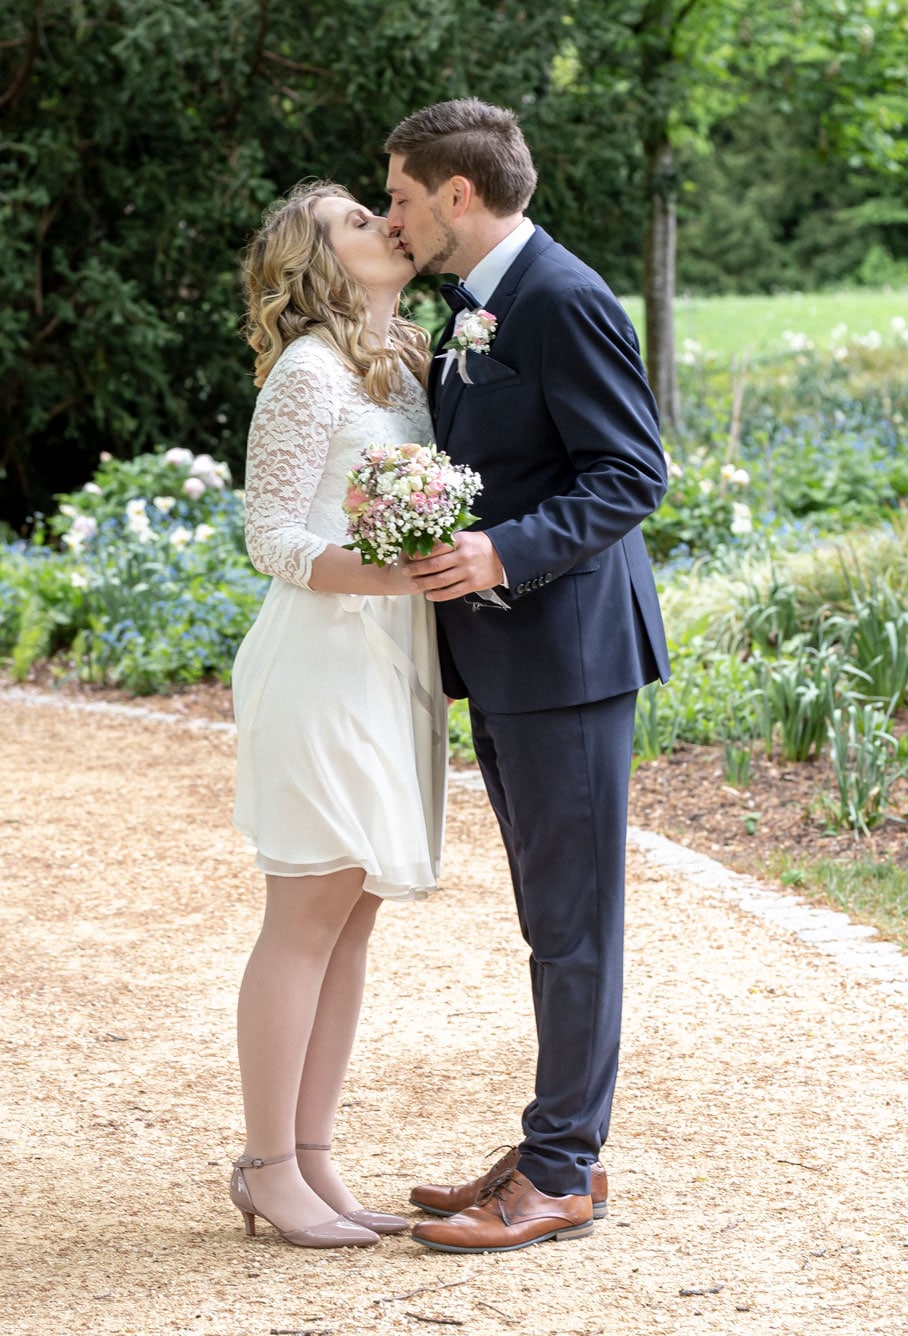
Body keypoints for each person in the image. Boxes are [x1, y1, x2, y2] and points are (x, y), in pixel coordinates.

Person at [383, 98, 671, 1255]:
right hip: (504, 658)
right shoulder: (478, 307)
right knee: (548, 918)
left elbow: (631, 471)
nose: (391, 214)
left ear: (460, 194)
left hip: (568, 657)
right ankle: (555, 1144)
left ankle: (559, 1169)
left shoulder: (560, 296)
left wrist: (499, 550)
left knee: (572, 922)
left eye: (400, 193)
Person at [227, 180, 447, 1249]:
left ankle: (314, 1158)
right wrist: (386, 572)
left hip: (387, 661)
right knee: (306, 911)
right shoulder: (307, 373)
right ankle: (265, 1166)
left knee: (351, 916)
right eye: (354, 218)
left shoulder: (403, 362)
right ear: (315, 259)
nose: (381, 223)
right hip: (319, 660)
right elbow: (267, 533)